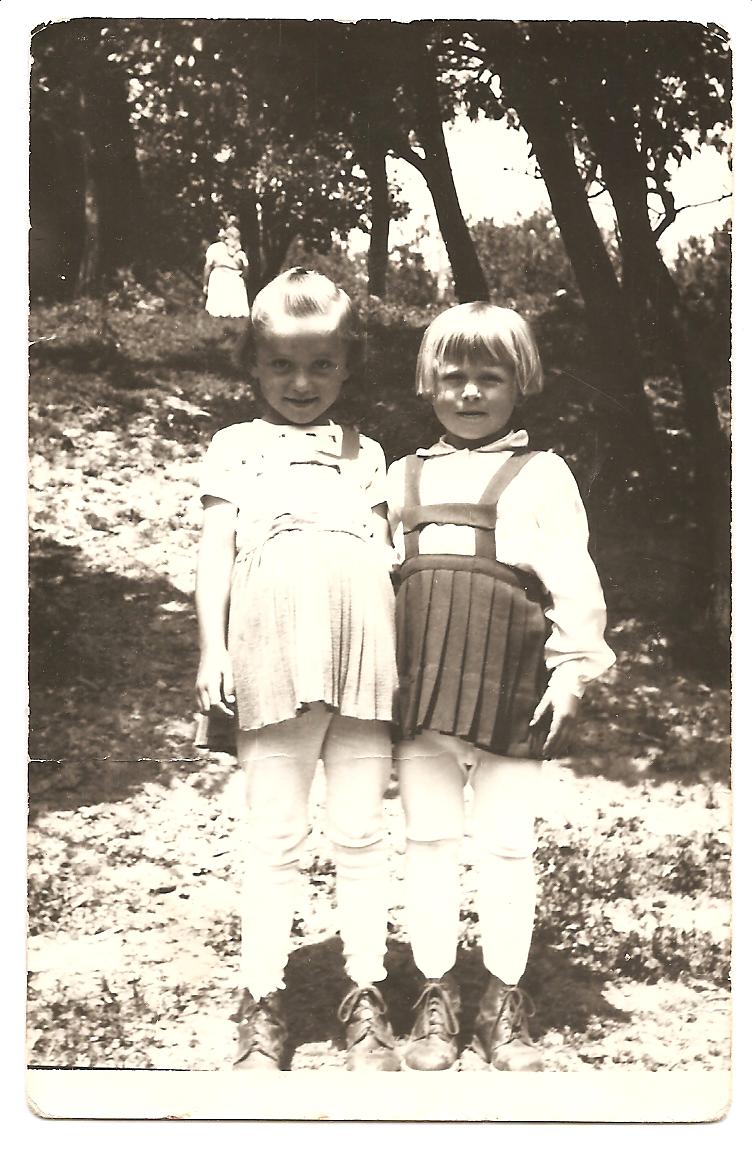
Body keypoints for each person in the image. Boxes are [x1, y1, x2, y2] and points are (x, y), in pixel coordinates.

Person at [386, 302, 615, 1073]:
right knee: (428, 840)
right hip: (423, 688)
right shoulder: (401, 475)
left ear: (522, 384)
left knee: (508, 843)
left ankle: (504, 1001)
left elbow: (575, 580)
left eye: (490, 377)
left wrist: (574, 668)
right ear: (428, 383)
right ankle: (436, 994)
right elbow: (380, 578)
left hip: (511, 682)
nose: (470, 392)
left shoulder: (542, 474)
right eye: (454, 376)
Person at [195, 268, 400, 1072]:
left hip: (362, 659)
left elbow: (387, 557)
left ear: (348, 366)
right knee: (274, 833)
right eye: (281, 363)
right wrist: (212, 648)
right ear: (253, 363)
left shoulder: (366, 453)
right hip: (272, 656)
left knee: (360, 830)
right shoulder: (235, 448)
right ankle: (262, 999)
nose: (302, 383)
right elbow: (215, 555)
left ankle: (366, 992)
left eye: (322, 365)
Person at [203, 224, 250, 318]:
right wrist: (242, 277)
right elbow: (246, 269)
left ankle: (219, 319)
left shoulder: (214, 248)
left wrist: (205, 284)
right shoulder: (241, 253)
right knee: (235, 309)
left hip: (218, 276)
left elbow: (208, 266)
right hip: (235, 278)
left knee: (218, 308)